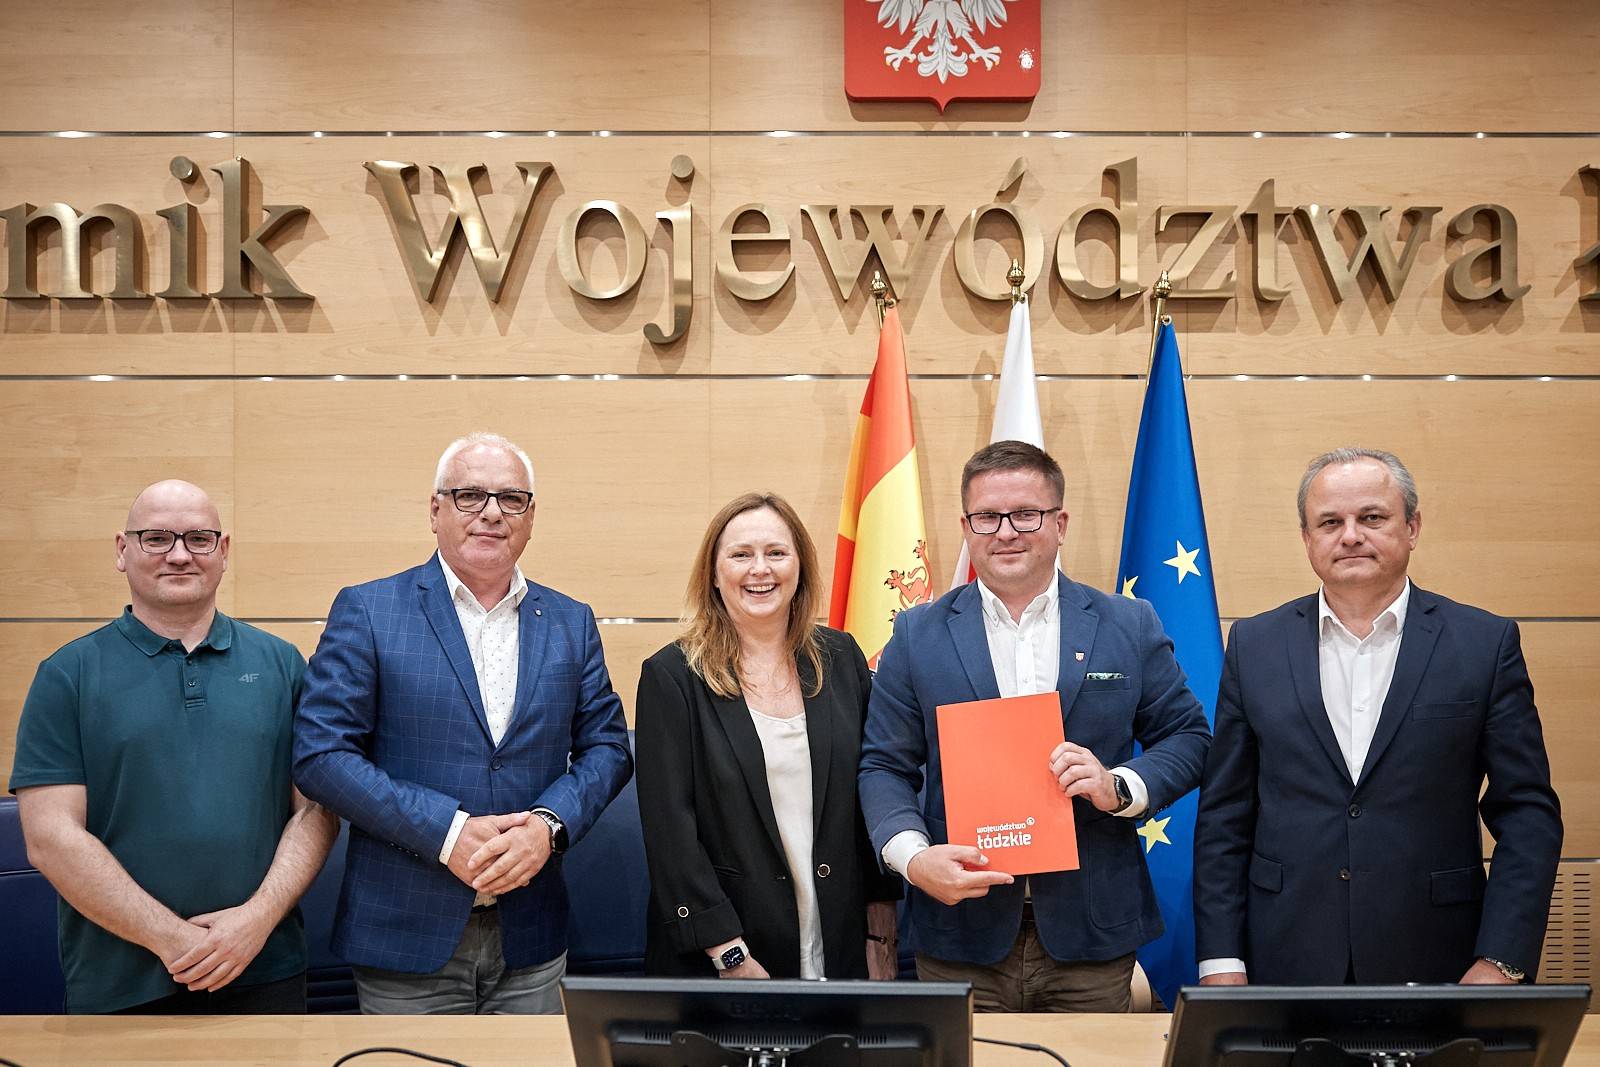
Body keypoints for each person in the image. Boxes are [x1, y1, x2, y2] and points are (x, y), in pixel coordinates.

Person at [858, 441, 1211, 1012]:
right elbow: (883, 765)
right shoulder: (917, 635)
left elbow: (1189, 738)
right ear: (966, 527)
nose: (1006, 532)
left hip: (1092, 934)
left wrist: (1118, 786)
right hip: (959, 934)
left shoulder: (1127, 623)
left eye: (1026, 514)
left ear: (1060, 524)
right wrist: (914, 859)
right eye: (987, 517)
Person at [1193, 447, 1562, 986]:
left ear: (1412, 527)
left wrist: (1502, 959)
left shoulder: (1484, 644)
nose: (1350, 536)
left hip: (1440, 956)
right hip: (1285, 954)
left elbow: (1527, 813)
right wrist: (1221, 960)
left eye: (1371, 517)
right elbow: (1225, 815)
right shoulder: (1254, 645)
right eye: (1330, 522)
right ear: (1307, 538)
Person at [293, 431, 632, 1014]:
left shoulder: (571, 621)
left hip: (532, 937)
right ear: (435, 511)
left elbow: (608, 747)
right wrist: (446, 833)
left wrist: (547, 826)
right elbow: (321, 755)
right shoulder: (370, 610)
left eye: (511, 499)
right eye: (470, 495)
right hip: (405, 936)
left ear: (530, 517)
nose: (492, 513)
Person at [10, 480, 337, 1014]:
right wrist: (174, 940)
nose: (180, 555)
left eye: (198, 539)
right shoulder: (68, 675)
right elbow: (51, 837)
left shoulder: (283, 666)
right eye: (157, 538)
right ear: (123, 550)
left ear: (223, 551)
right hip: (119, 982)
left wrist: (253, 923)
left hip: (265, 967)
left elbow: (316, 810)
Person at [635, 492, 902, 980]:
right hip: (727, 953)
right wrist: (728, 952)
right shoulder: (672, 676)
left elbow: (869, 802)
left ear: (800, 566)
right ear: (714, 573)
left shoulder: (842, 659)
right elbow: (671, 834)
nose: (760, 569)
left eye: (776, 552)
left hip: (838, 944)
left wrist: (880, 935)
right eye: (741, 554)